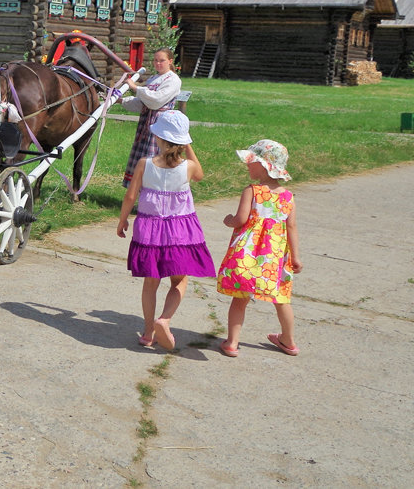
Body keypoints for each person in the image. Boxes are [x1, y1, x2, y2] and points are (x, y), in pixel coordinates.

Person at [117, 110, 216, 350]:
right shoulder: (189, 167)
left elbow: (131, 196)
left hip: (149, 230)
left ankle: (149, 332)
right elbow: (201, 175)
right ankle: (165, 319)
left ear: (158, 139)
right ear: (183, 141)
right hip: (180, 232)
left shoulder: (144, 164)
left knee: (150, 284)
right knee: (179, 280)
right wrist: (188, 144)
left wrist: (122, 221)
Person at [216, 140, 301, 357]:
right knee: (281, 298)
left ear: (265, 165)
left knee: (241, 298)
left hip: (250, 257)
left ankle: (232, 343)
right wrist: (296, 258)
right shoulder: (287, 197)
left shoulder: (252, 191)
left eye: (251, 161)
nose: (247, 165)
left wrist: (229, 220)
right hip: (275, 258)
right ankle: (288, 341)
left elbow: (241, 219)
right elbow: (291, 227)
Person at [119, 48, 182, 187]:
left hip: (161, 125)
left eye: (162, 61)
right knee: (143, 159)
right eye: (156, 60)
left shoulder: (173, 80)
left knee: (155, 158)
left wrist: (135, 88)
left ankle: (154, 192)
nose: (158, 63)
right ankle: (142, 196)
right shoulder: (153, 78)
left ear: (170, 61)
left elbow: (156, 101)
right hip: (146, 124)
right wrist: (120, 100)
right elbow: (142, 103)